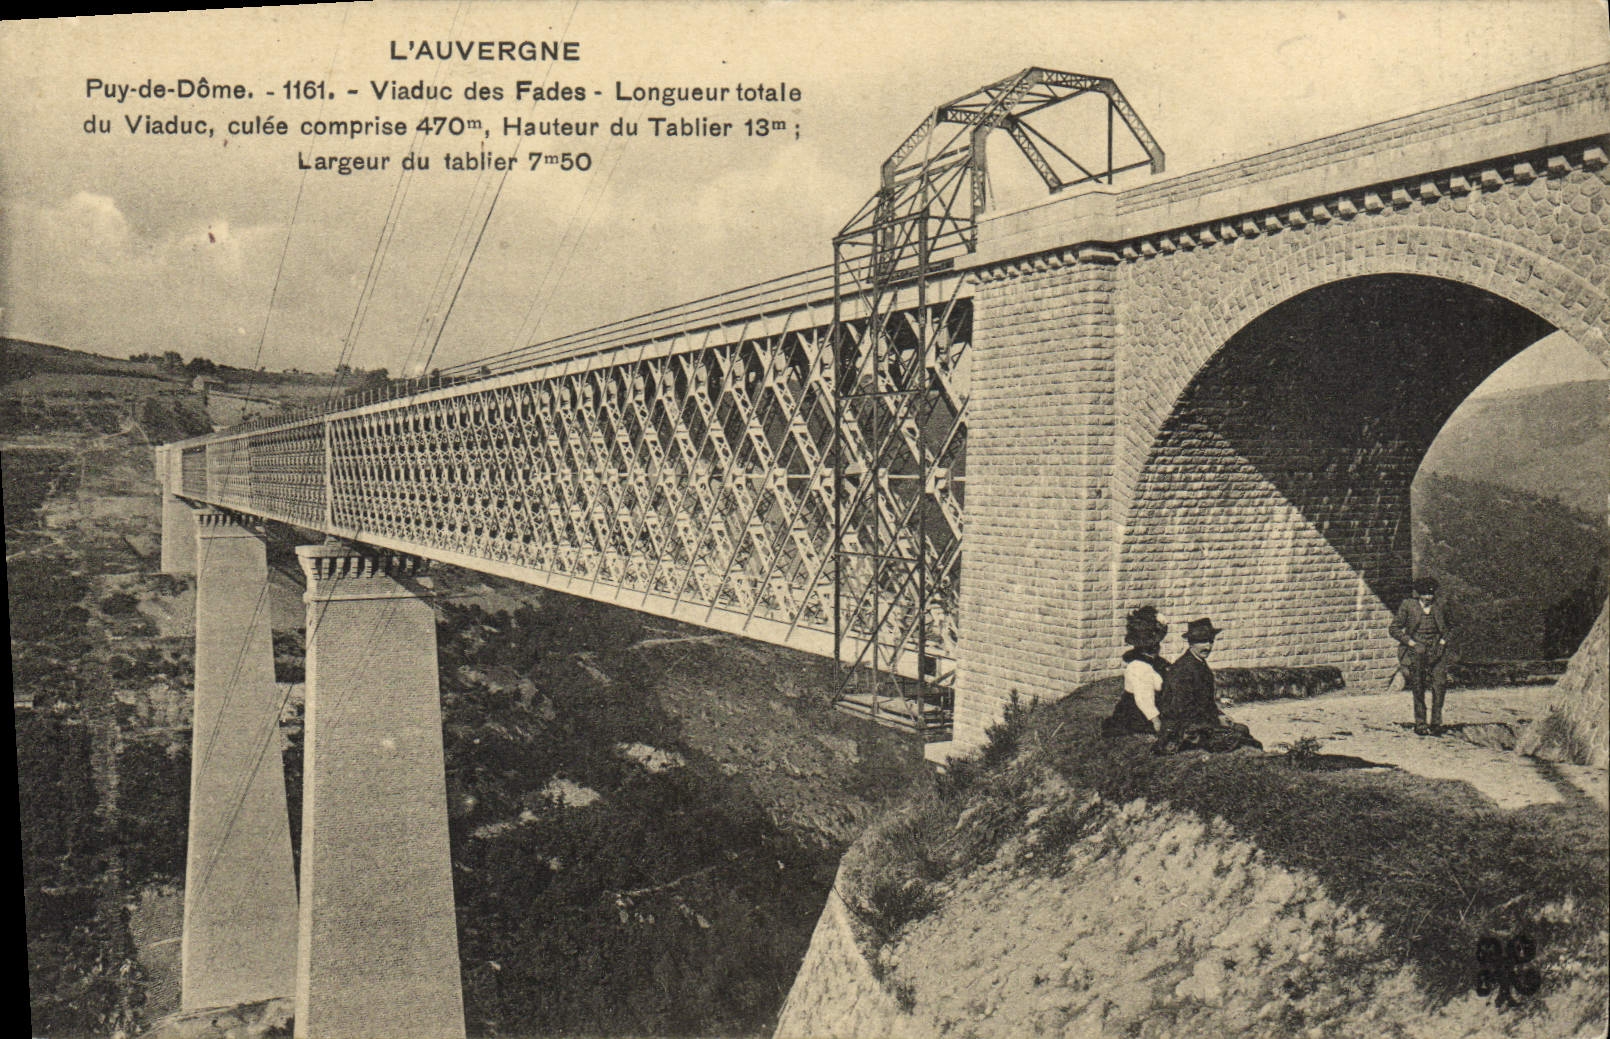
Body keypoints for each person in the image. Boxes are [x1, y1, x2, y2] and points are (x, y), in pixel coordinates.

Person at [1154, 617, 1261, 754]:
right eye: (1202, 642)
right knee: (1240, 738)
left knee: (1242, 730)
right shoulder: (1182, 669)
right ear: (1191, 642)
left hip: (1198, 723)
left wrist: (1220, 714)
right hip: (1183, 729)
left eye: (1210, 641)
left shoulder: (1199, 664)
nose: (1208, 647)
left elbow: (1206, 702)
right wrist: (1215, 720)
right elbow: (1182, 708)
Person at [1390, 576, 1457, 735]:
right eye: (1425, 594)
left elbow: (1451, 627)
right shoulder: (1408, 606)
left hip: (1437, 651)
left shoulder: (1440, 606)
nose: (1428, 598)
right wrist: (1411, 643)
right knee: (1418, 686)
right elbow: (1394, 628)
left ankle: (1436, 723)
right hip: (1416, 652)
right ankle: (1420, 724)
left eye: (1431, 594)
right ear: (1418, 594)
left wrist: (1442, 642)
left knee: (1439, 685)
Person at [1102, 606, 1169, 736]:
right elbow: (1143, 699)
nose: (1158, 649)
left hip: (1153, 705)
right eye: (1154, 646)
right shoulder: (1139, 667)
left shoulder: (1154, 662)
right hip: (1139, 713)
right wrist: (1156, 721)